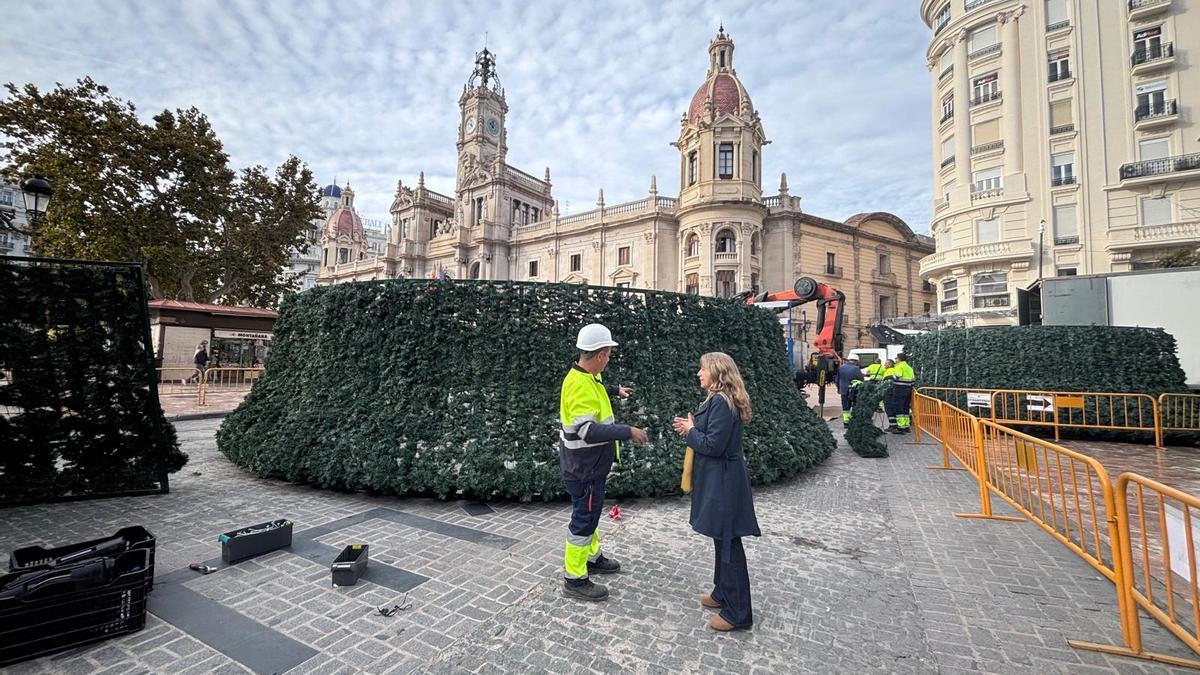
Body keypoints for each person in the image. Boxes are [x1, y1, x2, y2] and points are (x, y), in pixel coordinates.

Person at [559, 323, 648, 602]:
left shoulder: (585, 377)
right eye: (608, 354)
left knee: (591, 514)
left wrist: (614, 390)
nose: (609, 359)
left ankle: (592, 557)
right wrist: (627, 431)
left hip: (589, 467)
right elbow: (587, 431)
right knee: (583, 521)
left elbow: (593, 392)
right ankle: (574, 578)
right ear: (598, 355)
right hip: (583, 469)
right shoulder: (580, 385)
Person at [672, 352, 761, 632]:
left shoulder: (722, 402)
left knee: (728, 542)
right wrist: (695, 427)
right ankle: (722, 593)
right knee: (721, 539)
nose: (699, 373)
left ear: (717, 373)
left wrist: (691, 431)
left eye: (703, 369)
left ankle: (739, 613)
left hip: (724, 481)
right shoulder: (718, 399)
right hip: (719, 478)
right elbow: (713, 437)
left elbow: (714, 445)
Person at [890, 353, 916, 433]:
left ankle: (901, 426)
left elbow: (896, 376)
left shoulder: (899, 366)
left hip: (899, 390)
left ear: (899, 359)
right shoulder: (909, 368)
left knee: (899, 408)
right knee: (906, 408)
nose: (895, 360)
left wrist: (891, 376)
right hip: (908, 390)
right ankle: (906, 426)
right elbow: (913, 380)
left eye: (896, 358)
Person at [836, 355, 864, 424]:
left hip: (843, 390)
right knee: (855, 404)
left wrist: (839, 388)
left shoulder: (841, 367)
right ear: (856, 361)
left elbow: (837, 379)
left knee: (845, 405)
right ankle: (854, 421)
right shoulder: (856, 369)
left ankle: (846, 421)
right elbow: (861, 379)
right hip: (854, 390)